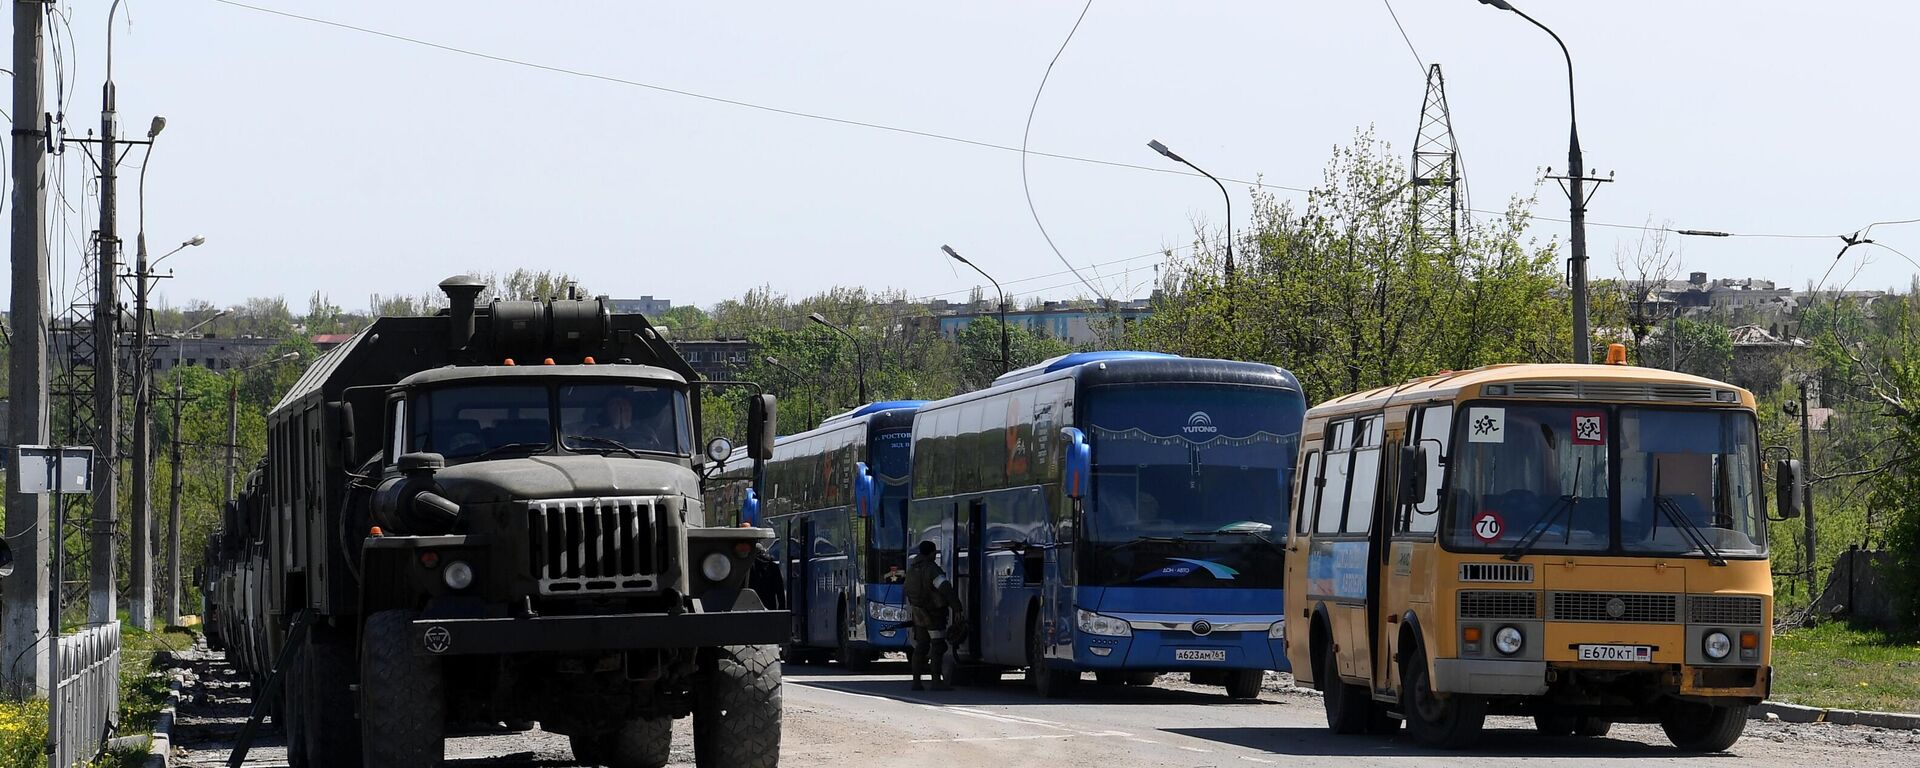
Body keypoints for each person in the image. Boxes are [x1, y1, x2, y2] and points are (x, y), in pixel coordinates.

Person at [903, 540, 959, 691]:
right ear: (932, 553)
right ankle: (936, 681)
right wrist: (957, 607)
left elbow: (906, 590)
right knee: (938, 645)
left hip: (918, 613)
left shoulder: (912, 570)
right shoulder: (932, 569)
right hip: (934, 613)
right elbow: (945, 589)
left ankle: (916, 681)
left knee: (921, 646)